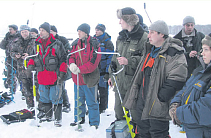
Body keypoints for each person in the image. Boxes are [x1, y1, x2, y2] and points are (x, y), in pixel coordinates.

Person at [123, 20, 188, 138]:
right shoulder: (148, 50)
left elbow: (178, 77)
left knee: (158, 134)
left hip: (157, 105)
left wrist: (160, 97)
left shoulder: (174, 52)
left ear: (161, 34)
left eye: (152, 32)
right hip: (142, 103)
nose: (148, 36)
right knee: (143, 133)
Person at [108, 7, 148, 122]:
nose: (119, 22)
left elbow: (146, 60)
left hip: (134, 86)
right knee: (119, 115)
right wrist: (111, 75)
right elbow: (115, 58)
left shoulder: (143, 37)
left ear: (128, 20)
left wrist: (129, 61)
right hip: (120, 84)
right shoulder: (120, 37)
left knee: (136, 117)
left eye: (121, 19)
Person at [170, 34, 211, 138]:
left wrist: (178, 113)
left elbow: (206, 109)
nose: (202, 53)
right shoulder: (200, 71)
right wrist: (175, 103)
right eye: (202, 49)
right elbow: (186, 89)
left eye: (206, 49)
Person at [27, 22, 67, 127]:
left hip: (54, 76)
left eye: (43, 30)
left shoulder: (57, 44)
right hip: (41, 76)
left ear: (48, 32)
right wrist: (30, 65)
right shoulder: (36, 44)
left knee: (56, 97)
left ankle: (58, 118)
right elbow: (32, 57)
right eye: (40, 30)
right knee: (44, 97)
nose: (40, 32)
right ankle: (48, 115)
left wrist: (62, 72)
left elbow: (63, 58)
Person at [68, 23, 101, 129]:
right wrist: (72, 64)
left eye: (80, 31)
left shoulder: (94, 44)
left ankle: (94, 122)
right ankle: (78, 119)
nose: (78, 33)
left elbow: (93, 62)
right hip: (77, 78)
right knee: (78, 100)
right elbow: (70, 56)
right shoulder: (74, 44)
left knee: (92, 101)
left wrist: (80, 69)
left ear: (86, 33)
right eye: (78, 31)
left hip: (89, 78)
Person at [10, 25, 39, 110]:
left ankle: (40, 107)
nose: (24, 33)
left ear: (29, 31)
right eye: (22, 32)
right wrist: (16, 55)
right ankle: (30, 107)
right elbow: (11, 52)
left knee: (36, 89)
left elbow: (39, 53)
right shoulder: (17, 42)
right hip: (22, 69)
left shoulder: (35, 41)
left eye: (26, 31)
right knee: (26, 89)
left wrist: (29, 55)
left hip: (33, 69)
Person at [94, 24, 114, 114]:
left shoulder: (107, 42)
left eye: (98, 30)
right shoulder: (93, 40)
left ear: (102, 31)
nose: (96, 31)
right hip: (94, 70)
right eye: (96, 30)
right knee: (93, 90)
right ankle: (94, 106)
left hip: (103, 70)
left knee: (103, 90)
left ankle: (102, 107)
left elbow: (110, 57)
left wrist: (107, 71)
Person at [50, 25, 71, 113]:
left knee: (61, 85)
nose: (50, 33)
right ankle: (54, 103)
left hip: (61, 66)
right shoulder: (47, 41)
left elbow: (68, 52)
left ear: (55, 32)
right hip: (50, 67)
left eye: (52, 31)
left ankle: (66, 104)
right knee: (53, 86)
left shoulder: (62, 40)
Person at [0, 24, 20, 95]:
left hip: (17, 59)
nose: (9, 31)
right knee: (10, 75)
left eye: (11, 29)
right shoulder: (8, 37)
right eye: (9, 29)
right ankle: (11, 89)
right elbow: (2, 46)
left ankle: (23, 91)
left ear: (15, 30)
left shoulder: (19, 37)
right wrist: (5, 38)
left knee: (19, 74)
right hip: (9, 59)